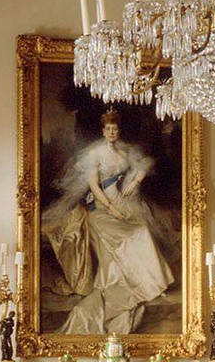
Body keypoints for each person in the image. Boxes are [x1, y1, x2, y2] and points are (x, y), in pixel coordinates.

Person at [42, 108, 177, 335]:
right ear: (103, 131)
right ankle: (140, 286)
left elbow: (143, 165)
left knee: (142, 231)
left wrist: (134, 183)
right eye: (109, 129)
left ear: (118, 131)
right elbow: (94, 187)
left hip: (125, 204)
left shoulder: (124, 151)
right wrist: (112, 208)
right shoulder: (94, 154)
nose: (112, 132)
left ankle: (152, 284)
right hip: (101, 209)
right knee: (127, 239)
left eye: (115, 129)